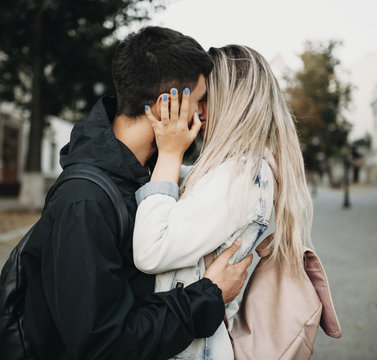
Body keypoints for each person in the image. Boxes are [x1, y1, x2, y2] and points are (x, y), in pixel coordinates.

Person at [19, 27, 252, 360]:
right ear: (165, 106)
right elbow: (103, 345)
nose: (204, 113)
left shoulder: (152, 175)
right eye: (199, 100)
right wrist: (207, 296)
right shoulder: (85, 201)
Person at [133, 45, 313, 359]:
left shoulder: (240, 176)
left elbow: (150, 251)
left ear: (232, 101)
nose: (195, 109)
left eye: (204, 98)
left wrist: (170, 154)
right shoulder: (238, 171)